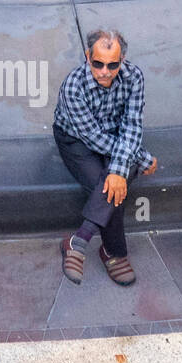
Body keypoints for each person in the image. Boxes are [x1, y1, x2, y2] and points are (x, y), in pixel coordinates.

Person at [53, 28, 157, 286]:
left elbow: (132, 126)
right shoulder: (73, 86)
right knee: (110, 182)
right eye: (98, 63)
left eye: (113, 64)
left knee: (113, 180)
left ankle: (79, 240)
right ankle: (114, 252)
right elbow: (91, 136)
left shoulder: (134, 78)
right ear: (88, 56)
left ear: (122, 60)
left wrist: (118, 169)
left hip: (115, 134)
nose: (104, 71)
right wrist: (138, 158)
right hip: (76, 139)